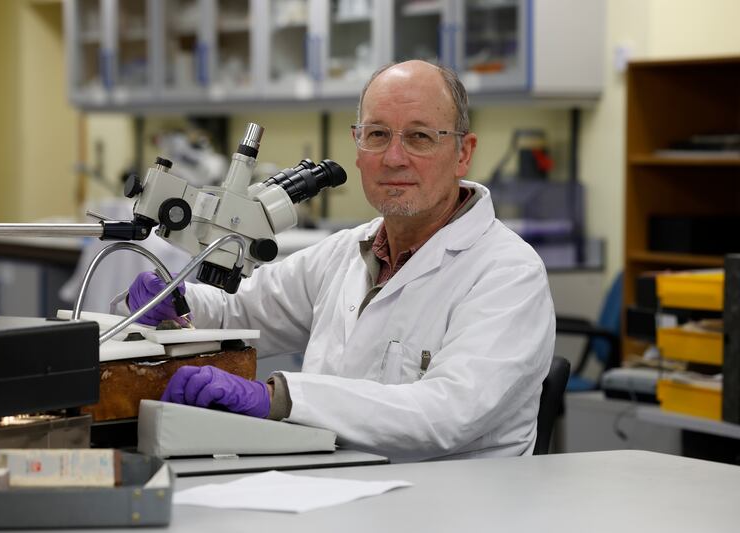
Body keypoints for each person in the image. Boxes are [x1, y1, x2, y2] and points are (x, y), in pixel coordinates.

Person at [124, 60, 556, 462]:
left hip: (457, 508)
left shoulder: (508, 272)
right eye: (378, 134)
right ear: (357, 146)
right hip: (333, 489)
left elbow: (447, 412)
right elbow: (244, 310)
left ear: (463, 153)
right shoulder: (348, 250)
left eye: (420, 136)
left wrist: (281, 398)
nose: (393, 157)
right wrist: (177, 303)